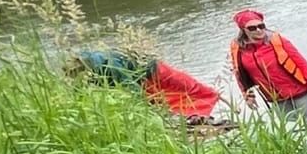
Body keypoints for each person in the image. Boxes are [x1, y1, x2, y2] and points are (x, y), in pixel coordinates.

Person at [229, 9, 307, 131]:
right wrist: (247, 95)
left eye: (261, 26)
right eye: (252, 28)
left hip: (299, 91)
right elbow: (239, 73)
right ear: (243, 30)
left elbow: (302, 64)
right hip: (275, 97)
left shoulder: (278, 41)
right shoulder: (238, 48)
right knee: (291, 128)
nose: (259, 30)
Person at [71, 50, 221, 121]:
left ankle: (211, 98)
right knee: (166, 103)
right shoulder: (89, 70)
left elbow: (131, 88)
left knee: (190, 87)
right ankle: (188, 118)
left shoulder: (110, 65)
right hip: (142, 79)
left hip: (153, 69)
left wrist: (145, 111)